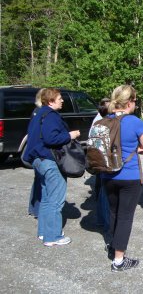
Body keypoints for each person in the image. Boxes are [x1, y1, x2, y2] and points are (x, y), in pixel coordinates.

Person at [23, 88, 80, 246]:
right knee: (55, 200)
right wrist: (70, 135)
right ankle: (53, 236)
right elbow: (51, 138)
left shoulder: (38, 113)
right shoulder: (51, 116)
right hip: (49, 161)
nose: (62, 100)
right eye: (60, 98)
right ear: (50, 101)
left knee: (46, 198)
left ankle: (43, 232)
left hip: (38, 159)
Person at [102, 85, 143, 272]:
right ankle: (119, 260)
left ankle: (113, 247)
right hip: (129, 176)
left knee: (114, 213)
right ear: (130, 102)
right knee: (125, 217)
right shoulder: (135, 122)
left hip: (107, 174)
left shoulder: (105, 121)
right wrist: (135, 149)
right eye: (135, 100)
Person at [89, 98, 111, 233]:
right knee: (104, 191)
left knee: (102, 189)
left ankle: (101, 219)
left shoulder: (97, 122)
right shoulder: (103, 123)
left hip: (99, 160)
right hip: (105, 162)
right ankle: (105, 221)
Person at [28, 89, 44, 218]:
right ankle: (38, 210)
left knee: (38, 180)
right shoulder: (41, 114)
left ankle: (33, 207)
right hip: (39, 153)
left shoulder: (35, 112)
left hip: (33, 152)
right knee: (41, 183)